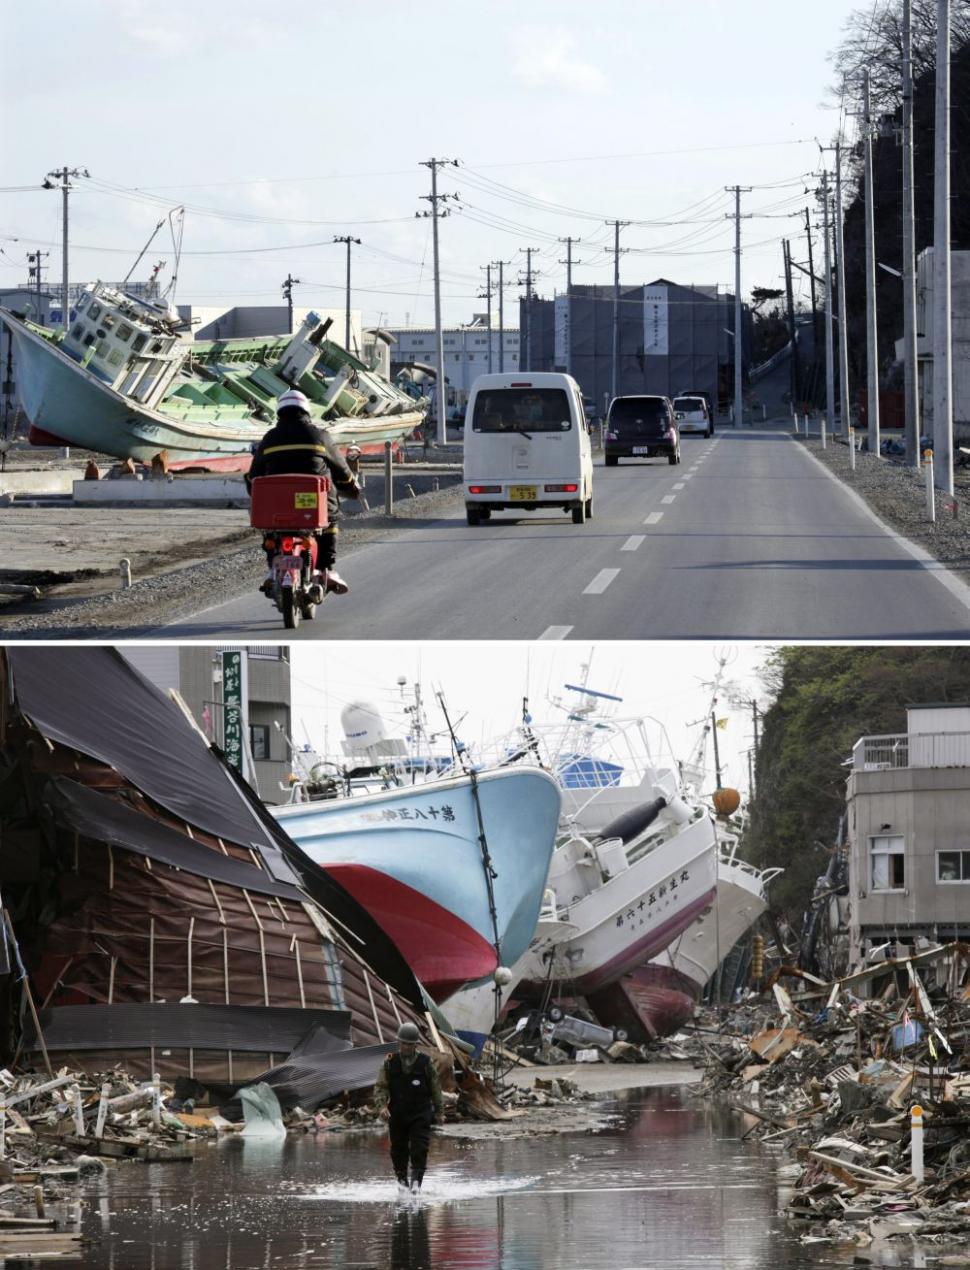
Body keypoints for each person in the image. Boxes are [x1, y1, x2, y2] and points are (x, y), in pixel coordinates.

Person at [246, 389, 361, 595]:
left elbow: (253, 476)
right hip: (312, 506)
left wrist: (254, 494)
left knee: (270, 533)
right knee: (330, 521)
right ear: (306, 411)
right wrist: (351, 485)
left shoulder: (270, 438)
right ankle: (326, 569)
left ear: (280, 412)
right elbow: (342, 470)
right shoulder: (319, 436)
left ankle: (274, 567)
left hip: (277, 509)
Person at [373, 1022, 444, 1195]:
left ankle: (416, 1182)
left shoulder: (426, 1063)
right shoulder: (389, 1063)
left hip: (421, 1112)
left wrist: (440, 1111)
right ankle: (402, 1181)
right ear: (399, 1043)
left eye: (410, 1044)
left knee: (420, 1148)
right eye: (403, 1043)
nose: (406, 1047)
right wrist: (381, 1107)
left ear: (415, 1045)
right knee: (398, 1150)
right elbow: (380, 1086)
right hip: (397, 1113)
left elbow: (436, 1088)